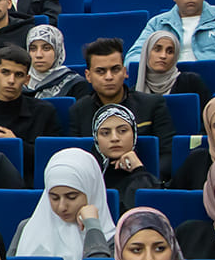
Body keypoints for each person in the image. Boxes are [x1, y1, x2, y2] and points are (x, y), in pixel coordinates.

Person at [68, 38, 178, 174]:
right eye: (101, 71)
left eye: (115, 69)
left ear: (125, 72)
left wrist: (143, 175)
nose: (109, 77)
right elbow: (76, 158)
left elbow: (168, 154)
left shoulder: (152, 104)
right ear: (88, 75)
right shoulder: (78, 110)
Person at [7, 148, 112, 260]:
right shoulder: (27, 227)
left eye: (71, 197)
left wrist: (93, 227)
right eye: (54, 198)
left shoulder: (110, 236)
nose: (62, 207)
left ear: (91, 191)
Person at [93, 104, 160, 201]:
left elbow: (150, 205)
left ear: (134, 135)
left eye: (122, 131)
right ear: (96, 139)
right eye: (105, 133)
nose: (114, 138)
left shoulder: (143, 176)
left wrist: (138, 169)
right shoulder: (89, 172)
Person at [24, 25, 87, 100]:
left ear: (57, 51)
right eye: (33, 49)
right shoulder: (19, 81)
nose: (38, 55)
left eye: (46, 48)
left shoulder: (74, 84)